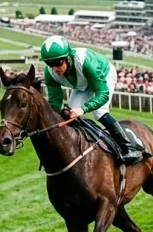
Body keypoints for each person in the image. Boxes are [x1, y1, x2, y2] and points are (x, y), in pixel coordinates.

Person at [39, 36, 145, 165]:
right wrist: (60, 112)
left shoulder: (86, 62)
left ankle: (130, 146)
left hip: (104, 75)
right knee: (71, 117)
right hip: (82, 84)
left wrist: (83, 109)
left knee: (99, 112)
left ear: (68, 57)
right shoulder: (50, 73)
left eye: (58, 62)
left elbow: (103, 94)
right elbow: (55, 102)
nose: (55, 68)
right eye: (49, 64)